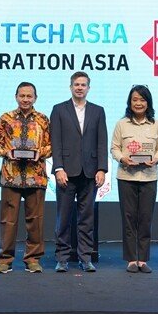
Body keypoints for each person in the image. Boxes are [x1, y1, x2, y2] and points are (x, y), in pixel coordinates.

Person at [0, 82, 52, 274]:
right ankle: (5, 260)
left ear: (35, 98)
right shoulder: (6, 118)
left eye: (29, 96)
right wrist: (7, 152)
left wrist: (40, 153)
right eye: (22, 96)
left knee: (35, 221)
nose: (25, 99)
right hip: (11, 176)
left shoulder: (43, 119)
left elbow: (51, 146)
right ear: (16, 97)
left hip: (36, 177)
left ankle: (33, 259)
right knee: (8, 221)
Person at [50, 71, 108, 272]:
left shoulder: (98, 111)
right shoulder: (59, 109)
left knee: (87, 218)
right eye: (76, 84)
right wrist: (58, 168)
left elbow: (102, 142)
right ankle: (62, 258)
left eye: (83, 85)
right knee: (64, 218)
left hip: (90, 172)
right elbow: (55, 141)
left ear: (88, 88)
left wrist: (102, 169)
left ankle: (85, 258)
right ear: (70, 87)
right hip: (66, 172)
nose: (80, 88)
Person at [111, 85, 158, 273]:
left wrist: (156, 159)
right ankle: (131, 259)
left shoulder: (156, 124)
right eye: (135, 100)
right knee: (128, 218)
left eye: (142, 100)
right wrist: (122, 159)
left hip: (149, 177)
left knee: (145, 218)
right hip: (126, 176)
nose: (138, 103)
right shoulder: (122, 124)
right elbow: (114, 148)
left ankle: (142, 259)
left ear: (148, 103)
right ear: (130, 102)